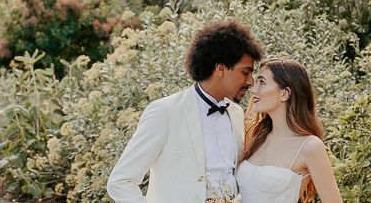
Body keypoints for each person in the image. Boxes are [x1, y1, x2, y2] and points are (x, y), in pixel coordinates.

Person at [107, 20, 264, 203]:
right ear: (220, 68)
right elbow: (120, 182)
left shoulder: (237, 113)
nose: (251, 82)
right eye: (245, 72)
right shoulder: (164, 112)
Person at [236, 58, 343, 203]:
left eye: (262, 82)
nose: (253, 90)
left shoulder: (310, 146)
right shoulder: (256, 136)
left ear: (284, 94)